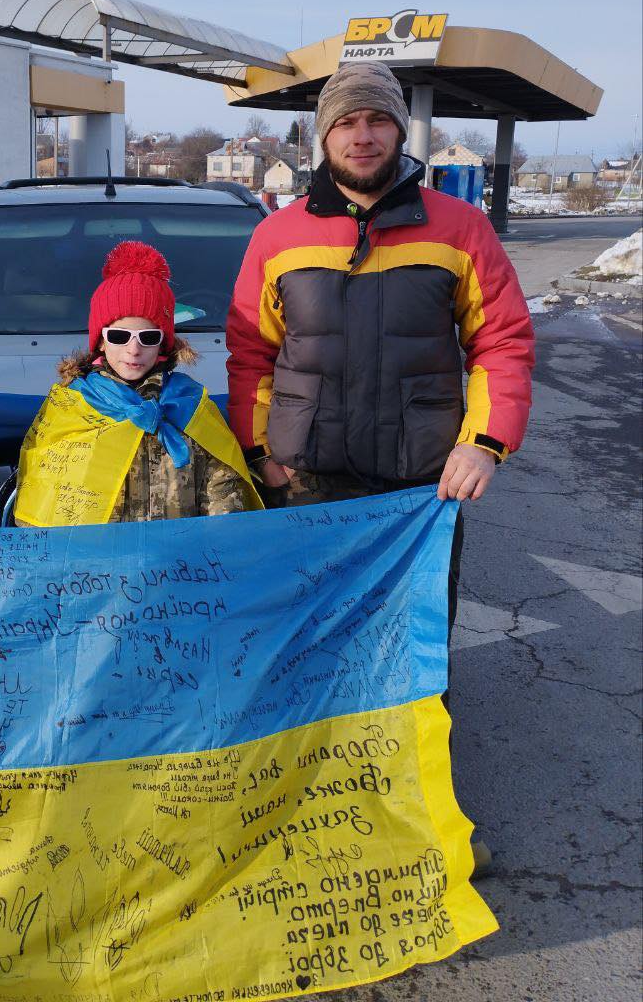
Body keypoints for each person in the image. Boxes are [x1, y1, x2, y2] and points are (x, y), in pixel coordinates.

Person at [226, 62, 535, 866]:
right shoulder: (278, 234)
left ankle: (416, 814)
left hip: (419, 487)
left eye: (376, 120)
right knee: (313, 646)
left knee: (415, 651)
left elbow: (501, 342)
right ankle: (313, 812)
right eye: (344, 122)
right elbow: (250, 354)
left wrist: (484, 441)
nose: (361, 135)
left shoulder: (460, 228)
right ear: (322, 135)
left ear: (399, 130)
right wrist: (262, 453)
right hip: (312, 481)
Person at [14, 241, 262, 527]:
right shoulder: (71, 407)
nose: (133, 350)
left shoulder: (190, 406)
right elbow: (41, 495)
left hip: (178, 564)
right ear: (101, 341)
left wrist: (216, 549)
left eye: (148, 338)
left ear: (163, 345)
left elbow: (223, 489)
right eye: (120, 336)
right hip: (97, 567)